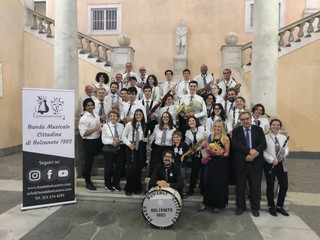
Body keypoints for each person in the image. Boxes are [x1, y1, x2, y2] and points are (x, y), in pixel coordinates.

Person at [232, 111, 267, 217]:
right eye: (243, 119)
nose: (245, 121)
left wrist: (253, 154)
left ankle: (255, 207)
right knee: (240, 187)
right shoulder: (236, 131)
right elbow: (235, 145)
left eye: (247, 119)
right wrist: (248, 151)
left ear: (251, 119)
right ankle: (240, 206)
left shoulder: (259, 130)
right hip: (241, 162)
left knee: (255, 187)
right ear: (240, 121)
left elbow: (263, 144)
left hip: (255, 163)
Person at [198, 120, 230, 213]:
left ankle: (217, 205)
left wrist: (220, 153)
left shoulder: (225, 138)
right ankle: (206, 203)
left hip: (220, 163)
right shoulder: (210, 136)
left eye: (219, 127)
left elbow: (227, 153)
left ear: (222, 128)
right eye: (215, 126)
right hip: (211, 162)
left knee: (218, 184)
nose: (217, 128)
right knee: (209, 183)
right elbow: (207, 148)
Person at [263, 119, 289, 217]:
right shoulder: (265, 137)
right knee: (270, 186)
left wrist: (284, 153)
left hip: (281, 163)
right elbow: (263, 152)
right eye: (273, 124)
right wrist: (271, 159)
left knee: (284, 185)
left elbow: (287, 149)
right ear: (270, 126)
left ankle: (279, 206)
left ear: (280, 127)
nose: (276, 126)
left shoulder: (283, 137)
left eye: (278, 125)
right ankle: (271, 206)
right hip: (270, 164)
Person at [122, 109, 147, 196]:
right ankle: (128, 188)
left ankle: (137, 187)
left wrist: (148, 139)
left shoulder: (144, 125)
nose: (138, 116)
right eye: (137, 115)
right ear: (134, 116)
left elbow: (142, 138)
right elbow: (123, 136)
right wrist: (129, 144)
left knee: (139, 168)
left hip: (140, 147)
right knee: (131, 168)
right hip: (131, 146)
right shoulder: (129, 124)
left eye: (140, 115)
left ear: (142, 116)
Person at [78, 98, 101, 190]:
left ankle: (85, 173)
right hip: (89, 142)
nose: (90, 107)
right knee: (89, 161)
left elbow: (99, 128)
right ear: (85, 107)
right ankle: (87, 181)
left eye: (92, 105)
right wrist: (94, 130)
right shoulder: (83, 118)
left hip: (97, 140)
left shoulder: (96, 115)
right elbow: (83, 134)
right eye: (88, 105)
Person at [101, 110, 124, 191]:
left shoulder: (121, 126)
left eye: (114, 116)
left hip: (119, 148)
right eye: (111, 116)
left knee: (118, 167)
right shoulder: (105, 126)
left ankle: (115, 184)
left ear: (117, 117)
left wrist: (119, 141)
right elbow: (103, 139)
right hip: (109, 149)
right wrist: (112, 142)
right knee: (108, 167)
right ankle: (107, 184)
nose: (112, 117)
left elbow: (124, 136)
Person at [184, 116, 206, 196]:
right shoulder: (187, 132)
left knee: (204, 172)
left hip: (204, 153)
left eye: (193, 121)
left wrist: (202, 147)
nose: (192, 122)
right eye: (190, 121)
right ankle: (191, 189)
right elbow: (187, 143)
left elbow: (207, 140)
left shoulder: (201, 129)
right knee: (194, 172)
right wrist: (190, 149)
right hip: (195, 154)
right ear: (188, 123)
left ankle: (203, 189)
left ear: (196, 121)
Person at [149, 112, 175, 176]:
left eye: (167, 117)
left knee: (164, 168)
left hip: (167, 149)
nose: (165, 118)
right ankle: (153, 183)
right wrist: (148, 144)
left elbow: (174, 141)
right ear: (161, 118)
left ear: (170, 118)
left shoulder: (173, 129)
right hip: (157, 149)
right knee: (154, 166)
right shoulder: (156, 127)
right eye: (164, 117)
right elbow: (153, 137)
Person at [172, 130, 190, 198]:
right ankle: (177, 190)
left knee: (183, 177)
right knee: (176, 177)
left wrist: (184, 155)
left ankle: (184, 191)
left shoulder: (183, 144)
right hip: (175, 164)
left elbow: (190, 150)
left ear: (180, 137)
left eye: (177, 137)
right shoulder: (173, 146)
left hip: (183, 164)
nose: (175, 139)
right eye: (174, 137)